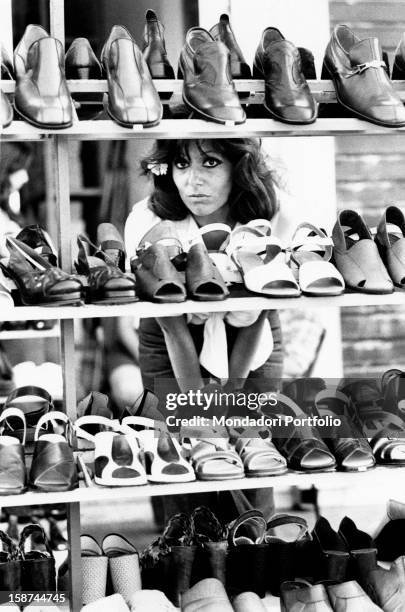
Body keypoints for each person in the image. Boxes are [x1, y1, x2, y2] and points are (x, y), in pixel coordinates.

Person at [122, 138, 283, 523]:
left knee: (253, 462)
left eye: (210, 163)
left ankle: (256, 568)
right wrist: (202, 410)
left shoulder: (264, 215)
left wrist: (230, 395)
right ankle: (192, 573)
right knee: (184, 464)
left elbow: (258, 312)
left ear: (238, 167)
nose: (193, 180)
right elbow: (171, 328)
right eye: (181, 164)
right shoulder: (146, 220)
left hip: (252, 337)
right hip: (170, 336)